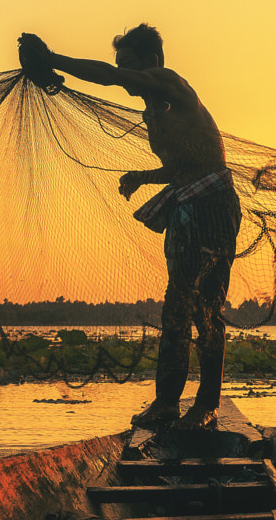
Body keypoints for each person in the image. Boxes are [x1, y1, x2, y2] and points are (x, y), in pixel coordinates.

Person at [19, 25, 238, 431]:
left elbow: (108, 75)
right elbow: (182, 165)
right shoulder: (155, 109)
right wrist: (143, 176)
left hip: (212, 207)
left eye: (129, 65)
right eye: (122, 65)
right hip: (186, 205)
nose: (124, 75)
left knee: (206, 308)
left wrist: (53, 61)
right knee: (176, 307)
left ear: (150, 63)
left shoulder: (169, 84)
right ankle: (167, 404)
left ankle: (207, 405)